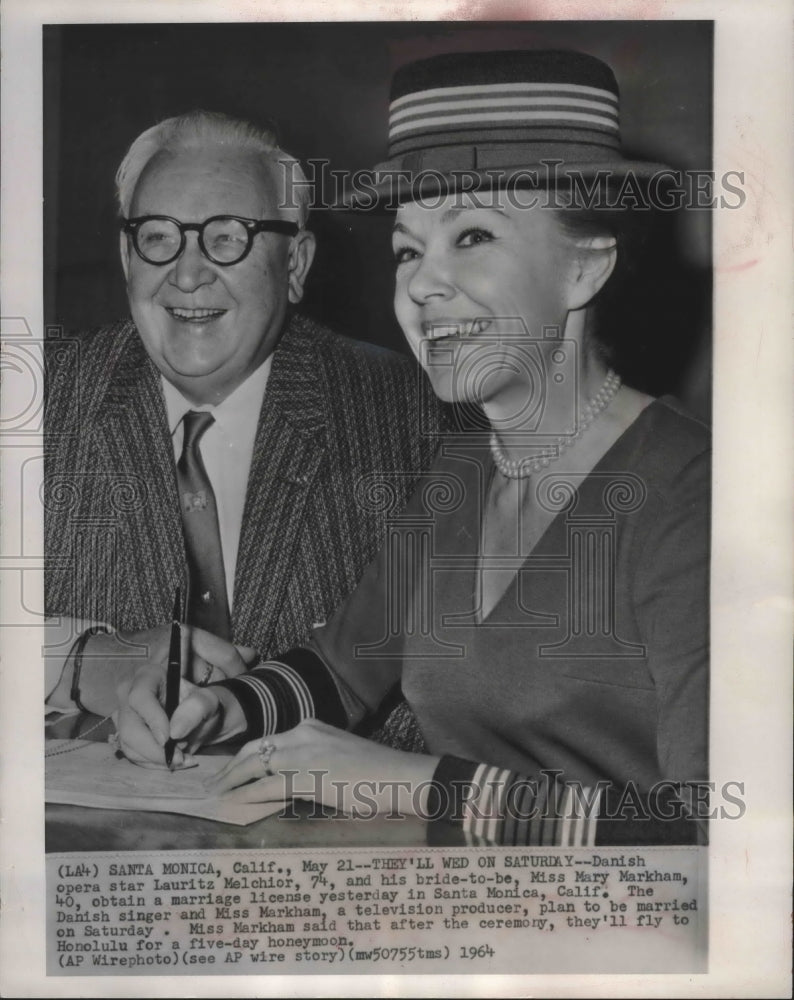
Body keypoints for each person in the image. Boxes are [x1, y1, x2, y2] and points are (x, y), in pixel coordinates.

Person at [117, 52, 710, 846]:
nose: (422, 287)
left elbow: (721, 831)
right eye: (407, 250)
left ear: (584, 265)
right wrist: (226, 707)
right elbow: (340, 668)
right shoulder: (463, 471)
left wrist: (416, 785)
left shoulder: (698, 491)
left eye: (471, 236)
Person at [44, 109, 445, 749]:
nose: (187, 271)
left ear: (295, 264)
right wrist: (78, 657)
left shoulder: (416, 417)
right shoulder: (37, 403)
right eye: (157, 236)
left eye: (228, 237)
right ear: (127, 254)